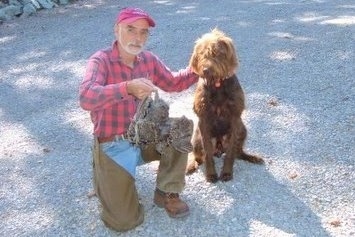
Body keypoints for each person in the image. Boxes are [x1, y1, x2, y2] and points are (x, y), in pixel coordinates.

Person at [79, 7, 198, 231]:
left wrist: (202, 67)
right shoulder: (101, 60)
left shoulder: (148, 60)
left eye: (144, 32)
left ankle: (167, 192)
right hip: (112, 144)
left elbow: (173, 82)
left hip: (143, 136)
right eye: (131, 29)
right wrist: (127, 88)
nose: (138, 37)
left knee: (181, 127)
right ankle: (104, 174)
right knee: (124, 222)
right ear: (117, 30)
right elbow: (86, 97)